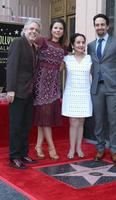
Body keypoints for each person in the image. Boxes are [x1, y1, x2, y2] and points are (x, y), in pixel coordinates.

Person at [88, 14, 116, 164]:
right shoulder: (90, 45)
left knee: (113, 120)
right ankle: (100, 148)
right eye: (97, 25)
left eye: (102, 24)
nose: (100, 27)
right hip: (97, 88)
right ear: (95, 26)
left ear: (107, 26)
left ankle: (115, 150)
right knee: (98, 120)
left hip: (113, 88)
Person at [6, 19, 41, 169]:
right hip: (18, 92)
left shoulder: (34, 47)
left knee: (26, 125)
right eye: (31, 29)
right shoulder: (18, 42)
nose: (34, 32)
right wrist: (11, 89)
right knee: (16, 125)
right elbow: (12, 66)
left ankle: (23, 154)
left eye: (37, 30)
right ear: (25, 30)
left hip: (29, 93)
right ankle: (14, 157)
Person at [33, 18, 67, 160]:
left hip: (53, 87)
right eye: (55, 28)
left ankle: (38, 145)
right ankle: (52, 147)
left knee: (43, 118)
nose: (58, 30)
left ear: (63, 31)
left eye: (60, 28)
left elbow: (63, 66)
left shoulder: (64, 49)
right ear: (51, 29)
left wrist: (63, 65)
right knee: (45, 117)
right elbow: (29, 49)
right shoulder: (42, 41)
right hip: (40, 86)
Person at [62, 33, 92, 159]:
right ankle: (71, 149)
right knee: (73, 122)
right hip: (71, 93)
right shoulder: (67, 59)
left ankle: (79, 148)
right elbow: (54, 70)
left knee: (81, 122)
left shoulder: (90, 58)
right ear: (73, 45)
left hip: (85, 93)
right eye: (78, 42)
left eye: (83, 42)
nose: (81, 45)